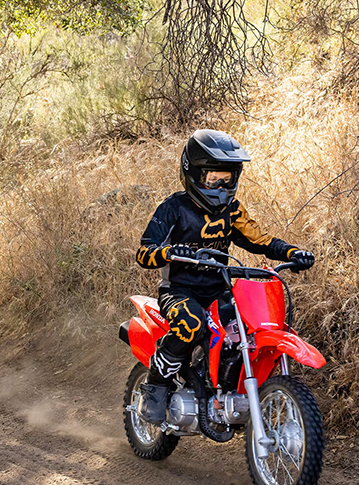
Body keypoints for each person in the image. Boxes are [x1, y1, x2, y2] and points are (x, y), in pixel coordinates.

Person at [135, 129, 315, 424]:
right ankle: (156, 384)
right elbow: (144, 253)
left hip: (220, 291)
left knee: (249, 330)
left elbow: (261, 240)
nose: (220, 186)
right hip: (180, 291)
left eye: (227, 179)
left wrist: (292, 252)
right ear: (192, 173)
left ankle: (228, 388)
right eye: (213, 178)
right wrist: (168, 253)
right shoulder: (173, 208)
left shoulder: (232, 211)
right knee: (191, 323)